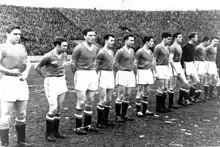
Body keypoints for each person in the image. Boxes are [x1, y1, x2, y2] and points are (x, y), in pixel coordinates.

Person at [0, 24, 31, 146]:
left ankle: (21, 142)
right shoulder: (2, 47)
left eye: (19, 34)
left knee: (22, 114)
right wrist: (8, 71)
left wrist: (27, 73)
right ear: (7, 34)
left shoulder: (22, 47)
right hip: (8, 81)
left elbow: (27, 62)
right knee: (5, 115)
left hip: (21, 82)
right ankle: (4, 144)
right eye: (15, 34)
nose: (18, 36)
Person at [35, 37, 68, 142]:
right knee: (53, 108)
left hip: (61, 81)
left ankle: (56, 132)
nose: (66, 48)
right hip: (51, 82)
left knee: (59, 108)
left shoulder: (64, 54)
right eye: (64, 46)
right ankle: (48, 134)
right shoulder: (48, 56)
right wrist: (45, 76)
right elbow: (37, 67)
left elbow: (61, 66)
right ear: (58, 45)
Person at [71, 28, 99, 135]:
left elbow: (95, 61)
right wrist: (77, 74)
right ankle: (78, 127)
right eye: (90, 35)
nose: (92, 37)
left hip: (92, 74)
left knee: (90, 101)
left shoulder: (96, 48)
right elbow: (72, 63)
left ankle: (87, 126)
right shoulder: (79, 48)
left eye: (94, 35)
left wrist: (93, 71)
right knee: (81, 101)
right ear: (84, 36)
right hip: (81, 73)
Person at [114, 34, 136, 122]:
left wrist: (134, 73)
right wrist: (121, 68)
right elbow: (115, 62)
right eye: (131, 40)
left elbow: (133, 62)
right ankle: (118, 116)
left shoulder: (132, 51)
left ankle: (124, 114)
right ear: (126, 41)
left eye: (133, 40)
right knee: (121, 95)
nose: (132, 42)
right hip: (122, 74)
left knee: (128, 95)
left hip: (130, 74)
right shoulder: (120, 51)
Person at [95, 34, 116, 128]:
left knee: (109, 99)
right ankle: (99, 122)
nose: (113, 42)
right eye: (111, 40)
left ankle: (105, 120)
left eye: (113, 40)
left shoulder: (112, 52)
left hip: (110, 75)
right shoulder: (101, 52)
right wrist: (96, 77)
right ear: (106, 41)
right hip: (102, 74)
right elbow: (96, 66)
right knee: (102, 99)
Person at [135, 36, 155, 117]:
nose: (152, 43)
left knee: (147, 92)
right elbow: (135, 63)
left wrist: (153, 72)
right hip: (141, 72)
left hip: (148, 72)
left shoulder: (150, 51)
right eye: (151, 41)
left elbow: (152, 62)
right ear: (146, 42)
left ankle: (145, 110)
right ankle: (138, 111)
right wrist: (136, 74)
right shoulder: (140, 51)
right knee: (139, 91)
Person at [169, 33, 189, 108]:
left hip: (178, 65)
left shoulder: (179, 46)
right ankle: (171, 104)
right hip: (173, 65)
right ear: (175, 38)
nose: (181, 38)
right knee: (172, 86)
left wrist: (182, 67)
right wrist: (175, 69)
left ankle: (180, 100)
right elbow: (170, 60)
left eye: (181, 37)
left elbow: (181, 58)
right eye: (179, 37)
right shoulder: (173, 47)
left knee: (185, 83)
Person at [154, 32, 172, 113]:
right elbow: (154, 60)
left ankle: (163, 106)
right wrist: (155, 72)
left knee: (165, 88)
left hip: (166, 68)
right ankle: (158, 107)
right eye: (168, 39)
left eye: (170, 39)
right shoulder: (158, 47)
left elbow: (168, 59)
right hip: (160, 67)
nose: (169, 41)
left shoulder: (167, 47)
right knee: (160, 88)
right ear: (163, 38)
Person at [182, 32, 200, 104]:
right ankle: (185, 100)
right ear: (192, 38)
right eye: (196, 37)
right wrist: (184, 67)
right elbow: (182, 58)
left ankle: (190, 96)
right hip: (186, 65)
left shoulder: (194, 46)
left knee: (197, 81)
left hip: (192, 65)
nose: (197, 38)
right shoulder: (186, 47)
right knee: (187, 83)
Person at [194, 36, 210, 101]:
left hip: (202, 64)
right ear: (205, 41)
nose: (209, 43)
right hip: (198, 64)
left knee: (201, 80)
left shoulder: (204, 47)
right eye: (208, 41)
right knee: (197, 80)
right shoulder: (198, 47)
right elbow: (193, 55)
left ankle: (198, 96)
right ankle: (195, 97)